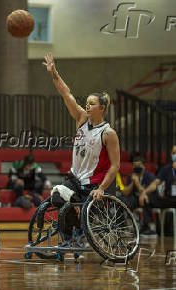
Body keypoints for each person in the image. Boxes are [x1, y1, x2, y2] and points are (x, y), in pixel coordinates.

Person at [43, 52, 120, 239]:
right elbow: (66, 93)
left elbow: (115, 166)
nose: (87, 106)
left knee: (87, 212)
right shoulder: (81, 119)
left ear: (101, 108)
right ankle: (71, 234)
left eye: (92, 104)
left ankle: (80, 228)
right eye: (86, 103)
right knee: (56, 198)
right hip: (75, 179)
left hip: (94, 183)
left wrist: (102, 188)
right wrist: (54, 73)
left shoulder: (108, 134)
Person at [140, 145, 176, 235]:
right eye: (173, 153)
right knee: (147, 200)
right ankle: (148, 227)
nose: (175, 155)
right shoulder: (167, 168)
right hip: (169, 198)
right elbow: (155, 183)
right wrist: (144, 192)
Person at [120, 155, 158, 235]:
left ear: (143, 166)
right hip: (136, 198)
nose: (136, 168)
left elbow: (148, 190)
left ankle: (147, 226)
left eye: (138, 166)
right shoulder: (131, 176)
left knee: (145, 199)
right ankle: (124, 224)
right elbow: (126, 192)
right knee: (125, 200)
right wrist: (132, 182)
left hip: (149, 197)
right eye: (135, 166)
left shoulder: (149, 176)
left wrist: (137, 183)